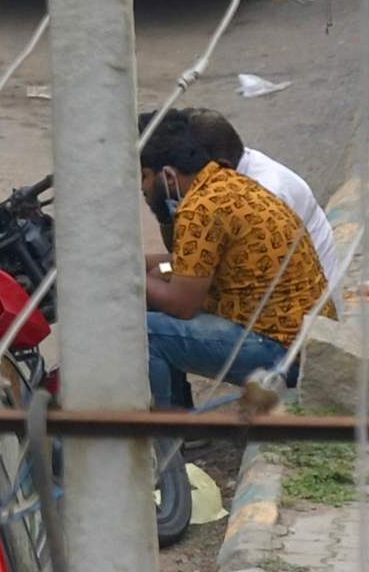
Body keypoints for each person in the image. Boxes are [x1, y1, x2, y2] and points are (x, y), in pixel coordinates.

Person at [141, 112, 326, 409]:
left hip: (280, 351)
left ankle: (164, 440)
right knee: (153, 281)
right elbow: (188, 267)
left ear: (168, 176)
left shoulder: (200, 209)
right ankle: (180, 420)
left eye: (145, 177)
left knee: (144, 332)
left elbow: (182, 304)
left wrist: (127, 276)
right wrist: (144, 266)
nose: (142, 190)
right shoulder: (224, 183)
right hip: (298, 338)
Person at [160, 106, 339, 282]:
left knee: (161, 293)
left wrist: (159, 272)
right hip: (268, 286)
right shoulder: (236, 172)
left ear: (222, 165)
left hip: (297, 302)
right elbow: (186, 257)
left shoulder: (264, 192)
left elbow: (195, 273)